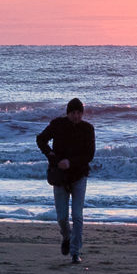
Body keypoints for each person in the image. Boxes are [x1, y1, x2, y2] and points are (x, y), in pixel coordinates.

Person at [36, 98, 96, 264]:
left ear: (82, 114)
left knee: (77, 216)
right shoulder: (57, 124)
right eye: (73, 113)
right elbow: (41, 140)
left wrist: (71, 162)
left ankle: (75, 252)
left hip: (79, 175)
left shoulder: (88, 129)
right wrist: (53, 157)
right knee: (62, 218)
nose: (76, 116)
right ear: (68, 113)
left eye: (79, 113)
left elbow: (89, 155)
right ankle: (66, 236)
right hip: (60, 176)